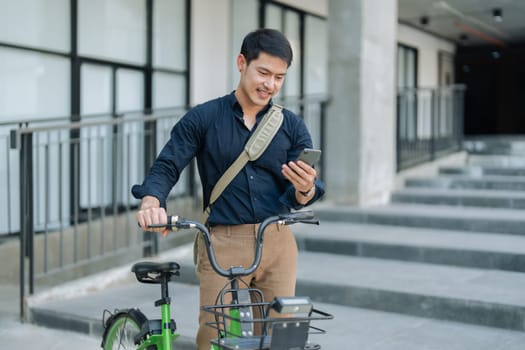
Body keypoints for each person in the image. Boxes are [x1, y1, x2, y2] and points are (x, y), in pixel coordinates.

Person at [132, 28, 325, 349]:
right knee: (213, 335)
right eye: (263, 73)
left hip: (277, 240)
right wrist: (152, 201)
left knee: (284, 339)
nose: (270, 85)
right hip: (223, 240)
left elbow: (302, 191)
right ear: (241, 63)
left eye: (279, 78)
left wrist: (305, 189)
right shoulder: (204, 118)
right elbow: (168, 164)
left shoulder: (292, 125)